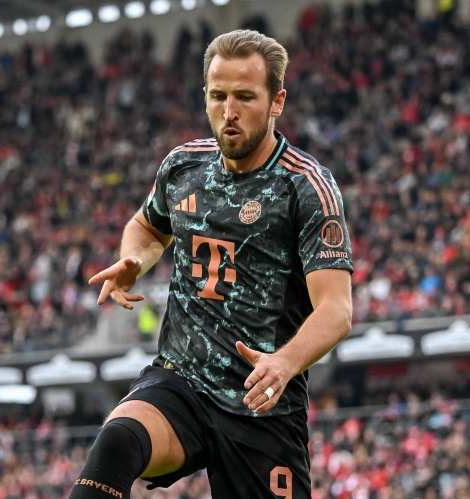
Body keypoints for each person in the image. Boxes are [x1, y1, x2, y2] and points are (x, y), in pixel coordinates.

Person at [72, 29, 353, 498]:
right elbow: (147, 226)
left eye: (245, 96)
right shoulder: (183, 166)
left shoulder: (306, 187)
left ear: (277, 101)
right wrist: (133, 259)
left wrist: (284, 363)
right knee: (117, 440)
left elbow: (337, 310)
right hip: (182, 380)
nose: (229, 111)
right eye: (218, 96)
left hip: (262, 402)